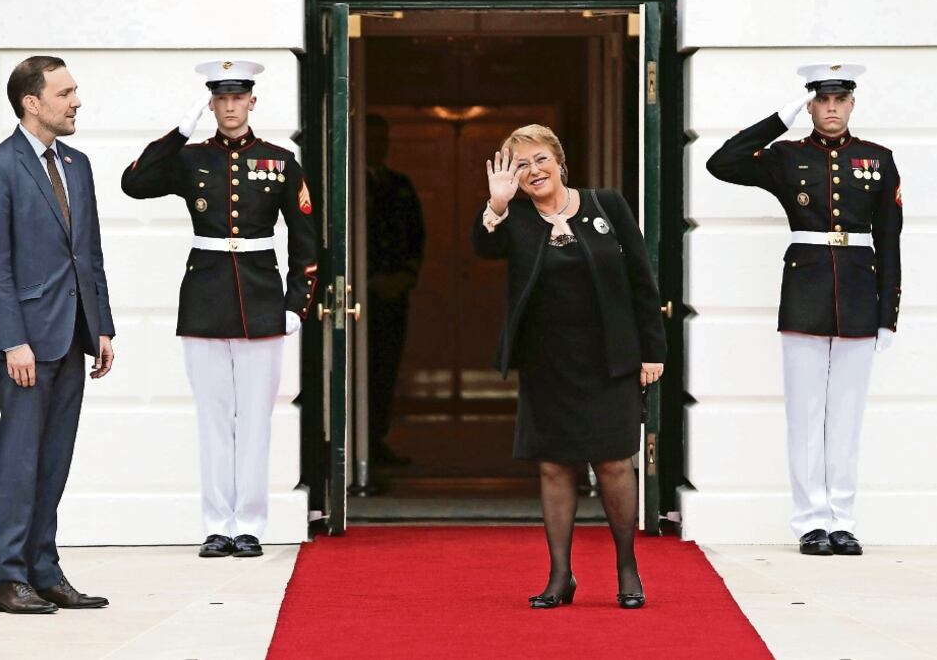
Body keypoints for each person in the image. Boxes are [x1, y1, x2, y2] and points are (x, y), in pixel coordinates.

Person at [121, 59, 318, 559]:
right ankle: (216, 525)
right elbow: (134, 182)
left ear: (253, 101)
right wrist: (179, 132)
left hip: (261, 299)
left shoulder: (279, 161)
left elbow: (306, 239)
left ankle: (248, 524)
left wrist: (297, 303)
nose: (230, 106)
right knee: (212, 419)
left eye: (238, 97)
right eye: (221, 98)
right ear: (210, 104)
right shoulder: (189, 158)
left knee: (254, 420)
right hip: (205, 297)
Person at [707, 63, 902, 556]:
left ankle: (843, 522)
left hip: (859, 294)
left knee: (847, 416)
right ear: (810, 105)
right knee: (806, 413)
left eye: (840, 100)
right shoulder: (786, 156)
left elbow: (890, 240)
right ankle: (811, 522)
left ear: (852, 104)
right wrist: (780, 118)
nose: (831, 108)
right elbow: (722, 162)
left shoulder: (878, 159)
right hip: (805, 292)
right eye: (821, 100)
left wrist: (887, 313)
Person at [473, 125, 666, 609]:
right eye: (521, 165)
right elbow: (483, 247)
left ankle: (627, 569)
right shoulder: (516, 217)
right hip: (547, 361)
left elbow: (642, 279)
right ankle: (560, 576)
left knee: (614, 463)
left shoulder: (607, 204)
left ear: (560, 161)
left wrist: (653, 350)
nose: (533, 171)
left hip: (610, 359)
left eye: (540, 159)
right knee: (555, 466)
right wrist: (497, 204)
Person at [0, 56, 114, 613]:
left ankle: (44, 572)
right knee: (20, 460)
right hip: (24, 343)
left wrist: (101, 327)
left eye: (75, 91)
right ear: (32, 102)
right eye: (65, 93)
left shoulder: (77, 164)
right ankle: (9, 579)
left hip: (73, 335)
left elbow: (89, 254)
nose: (76, 102)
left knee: (53, 460)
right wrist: (13, 341)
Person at [365, 114, 425, 467]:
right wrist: (369, 279)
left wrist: (404, 276)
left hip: (393, 294)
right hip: (360, 295)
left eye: (382, 140)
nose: (378, 147)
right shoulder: (350, 183)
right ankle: (358, 443)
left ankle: (375, 438)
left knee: (386, 368)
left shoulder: (400, 185)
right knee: (360, 368)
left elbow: (416, 236)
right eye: (371, 140)